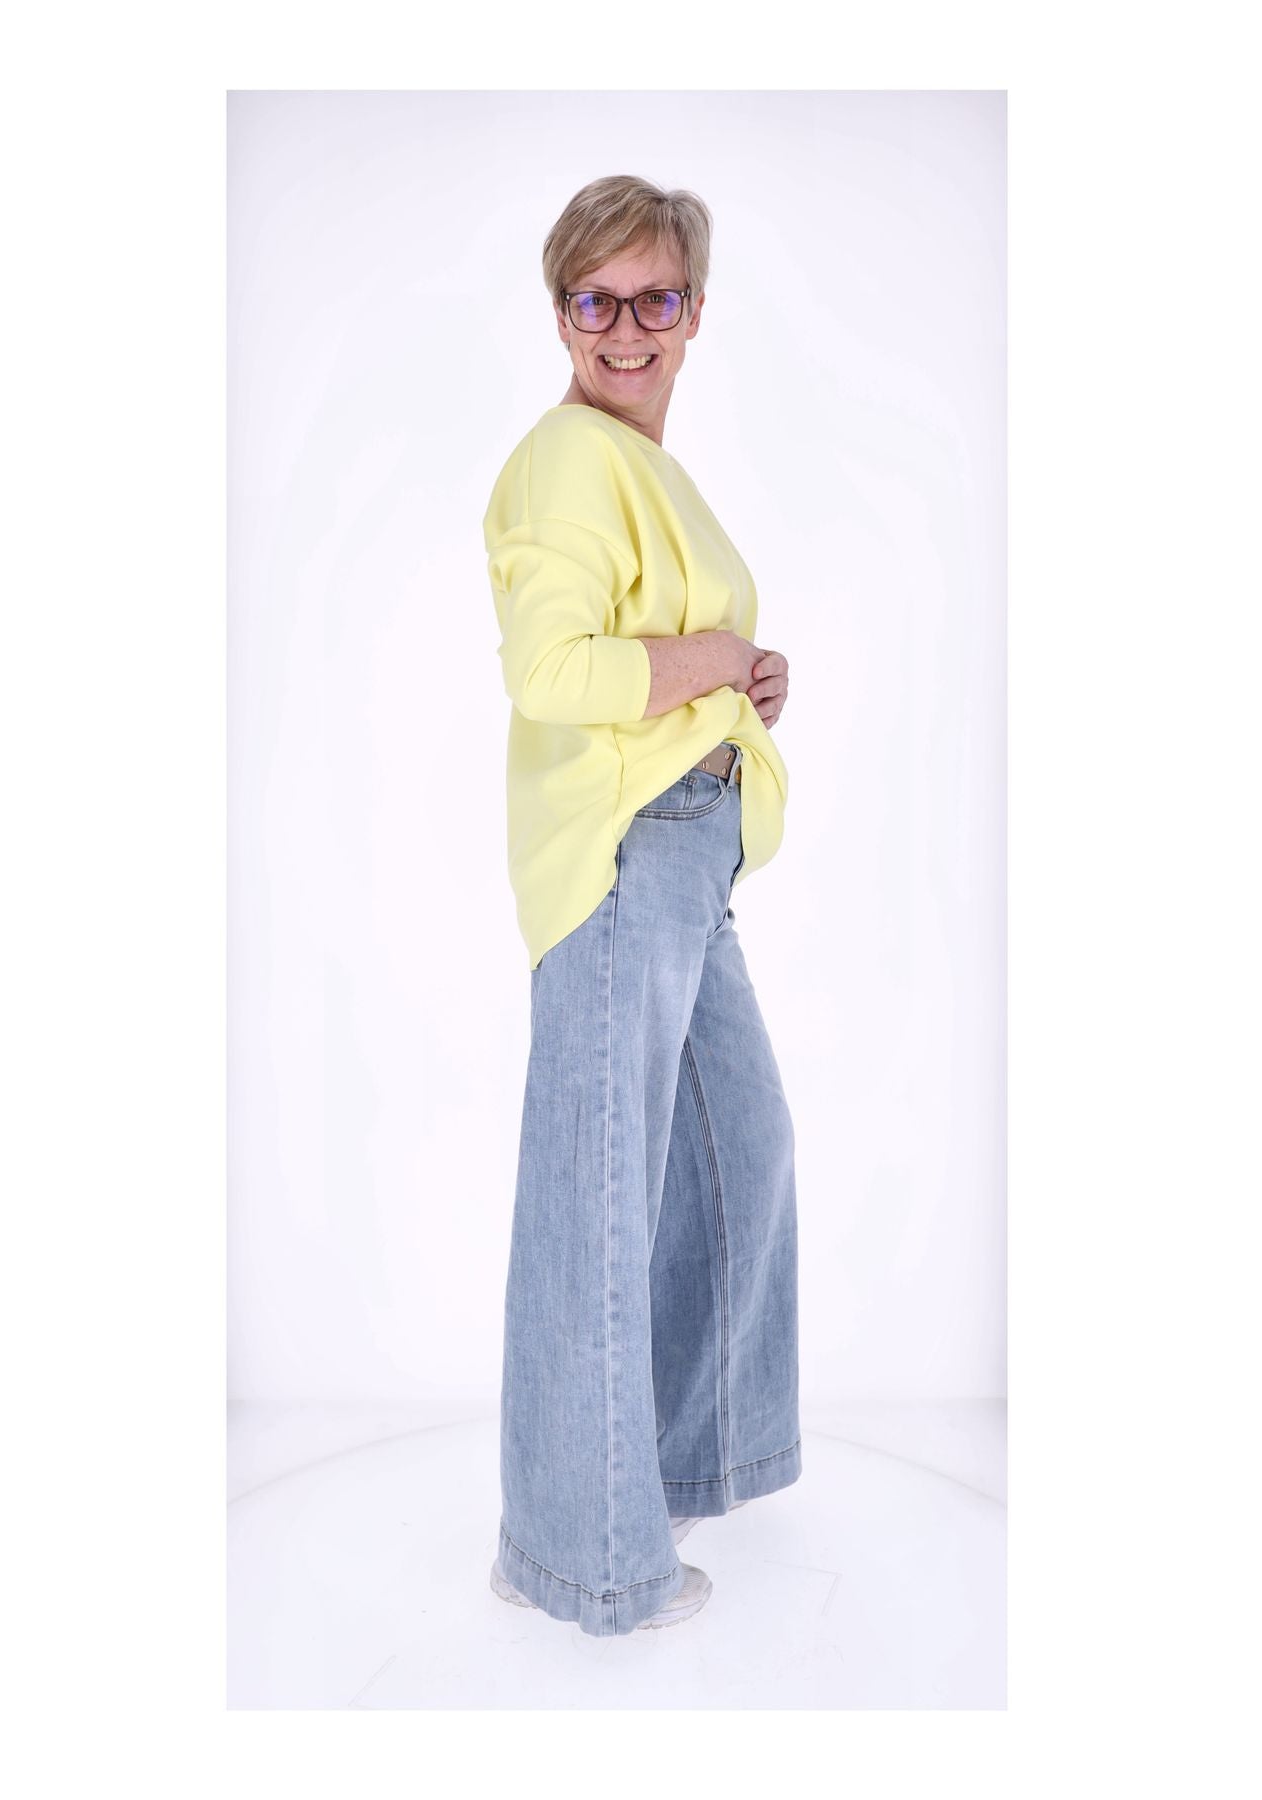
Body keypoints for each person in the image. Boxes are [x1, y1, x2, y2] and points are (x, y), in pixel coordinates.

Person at [483, 174, 801, 1637]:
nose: (625, 327)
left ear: (694, 312)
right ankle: (577, 1556)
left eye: (654, 297)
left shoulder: (640, 463)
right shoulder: (567, 459)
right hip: (624, 853)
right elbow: (554, 673)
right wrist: (712, 661)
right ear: (561, 314)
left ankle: (660, 1469)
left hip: (686, 857)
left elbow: (656, 651)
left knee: (738, 1149)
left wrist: (740, 685)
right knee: (599, 1199)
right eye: (594, 300)